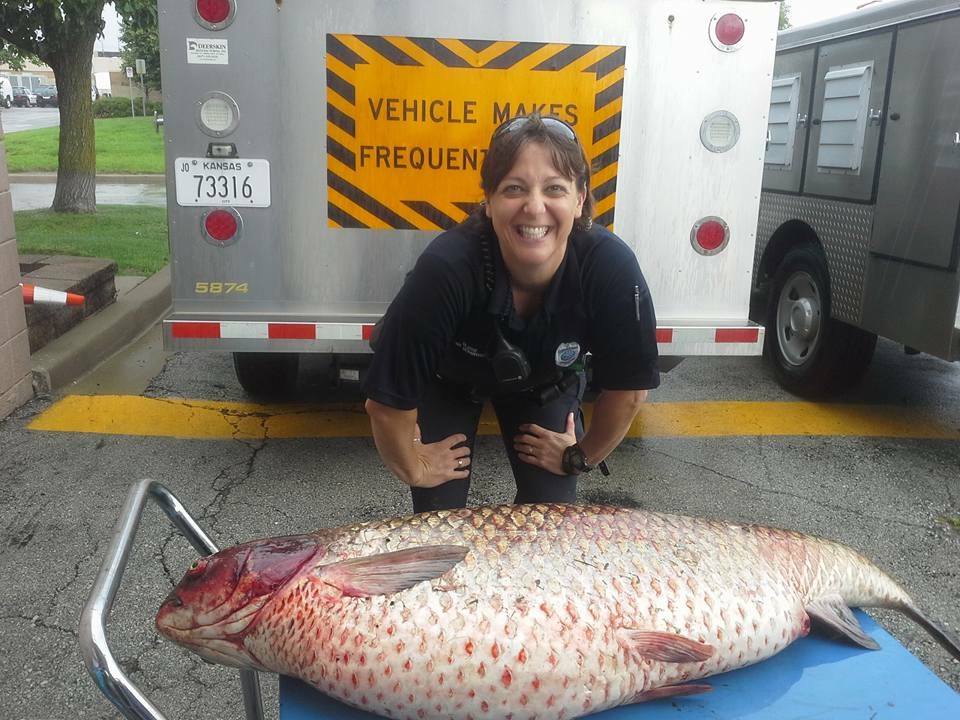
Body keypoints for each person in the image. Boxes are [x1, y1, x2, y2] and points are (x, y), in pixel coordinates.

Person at [363, 114, 659, 513]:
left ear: (579, 198)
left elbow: (629, 392)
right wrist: (414, 468)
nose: (534, 207)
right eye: (514, 188)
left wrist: (579, 456)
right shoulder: (448, 267)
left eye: (554, 188)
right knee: (439, 515)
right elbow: (386, 404)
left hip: (543, 382)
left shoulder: (610, 267)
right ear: (489, 201)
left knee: (549, 516)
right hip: (449, 379)